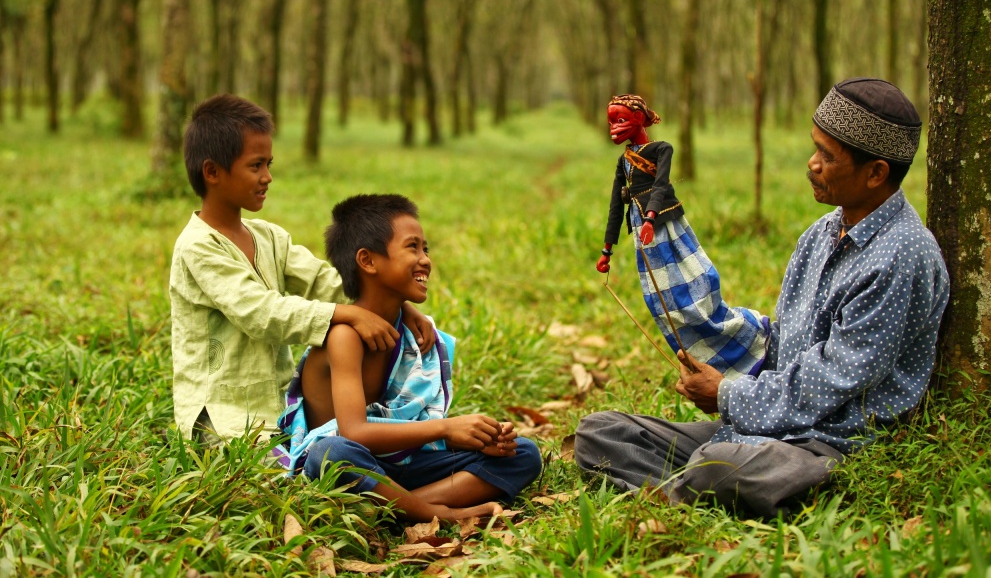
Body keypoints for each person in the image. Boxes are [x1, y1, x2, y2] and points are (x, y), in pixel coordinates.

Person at [576, 78, 950, 518]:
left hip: (827, 443)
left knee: (718, 467)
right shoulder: (821, 234)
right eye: (814, 148)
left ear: (876, 173)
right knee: (600, 433)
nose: (812, 164)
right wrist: (716, 341)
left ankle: (694, 491)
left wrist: (728, 396)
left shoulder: (903, 254)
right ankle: (693, 492)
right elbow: (785, 342)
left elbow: (834, 379)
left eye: (827, 156)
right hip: (766, 429)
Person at [170, 94, 434, 444]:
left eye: (269, 164)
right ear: (212, 172)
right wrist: (348, 314)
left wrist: (402, 308)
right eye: (255, 166)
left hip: (280, 408)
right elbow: (260, 313)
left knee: (339, 451)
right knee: (301, 469)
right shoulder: (197, 246)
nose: (267, 177)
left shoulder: (269, 237)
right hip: (221, 416)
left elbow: (324, 282)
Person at [278, 194, 542, 522]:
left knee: (523, 453)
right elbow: (354, 433)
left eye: (425, 249)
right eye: (412, 247)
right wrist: (446, 429)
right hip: (349, 466)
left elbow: (414, 434)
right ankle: (435, 513)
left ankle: (399, 507)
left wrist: (477, 440)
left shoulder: (409, 330)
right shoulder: (345, 336)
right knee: (331, 453)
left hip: (395, 467)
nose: (425, 260)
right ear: (368, 261)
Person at [597, 94, 769, 379]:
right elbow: (617, 205)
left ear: (638, 119)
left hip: (667, 227)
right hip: (644, 237)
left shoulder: (661, 149)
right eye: (611, 121)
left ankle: (749, 342)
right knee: (664, 304)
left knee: (698, 288)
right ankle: (705, 365)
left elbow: (661, 184)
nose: (614, 127)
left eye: (621, 119)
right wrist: (607, 250)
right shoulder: (623, 161)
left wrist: (651, 217)